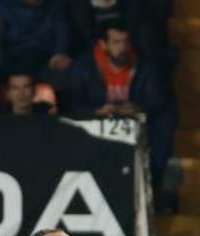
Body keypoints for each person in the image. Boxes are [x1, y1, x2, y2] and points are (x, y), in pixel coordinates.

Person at [66, 21, 174, 185]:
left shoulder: (145, 66)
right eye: (116, 42)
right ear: (103, 44)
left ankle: (150, 186)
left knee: (164, 122)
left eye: (126, 41)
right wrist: (97, 111)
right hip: (95, 122)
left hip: (135, 123)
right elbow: (73, 104)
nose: (122, 48)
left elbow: (156, 101)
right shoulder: (84, 67)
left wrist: (136, 108)